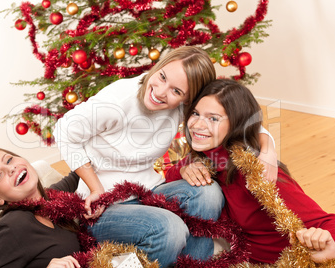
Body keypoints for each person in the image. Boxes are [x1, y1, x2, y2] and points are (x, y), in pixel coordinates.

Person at [54, 46, 277, 266]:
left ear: (188, 99)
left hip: (148, 191)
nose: (161, 91)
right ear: (158, 66)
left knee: (208, 193)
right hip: (103, 208)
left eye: (176, 91)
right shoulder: (119, 100)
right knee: (170, 228)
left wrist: (267, 150)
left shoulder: (183, 106)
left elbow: (237, 115)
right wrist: (95, 189)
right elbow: (63, 131)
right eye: (161, 77)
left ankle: (197, 264)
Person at [165, 79, 335, 264]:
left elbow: (329, 221)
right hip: (232, 257)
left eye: (213, 118)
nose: (197, 125)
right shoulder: (206, 158)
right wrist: (185, 170)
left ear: (236, 126)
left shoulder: (255, 174)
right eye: (196, 113)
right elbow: (170, 178)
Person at [0, 147, 82, 268]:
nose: (11, 168)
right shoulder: (11, 227)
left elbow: (79, 173)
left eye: (9, 160)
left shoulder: (51, 197)